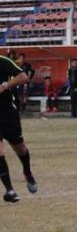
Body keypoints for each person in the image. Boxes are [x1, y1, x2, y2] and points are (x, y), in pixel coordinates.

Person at [0, 54, 38, 203]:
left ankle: (27, 172)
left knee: (20, 148)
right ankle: (10, 190)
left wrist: (5, 85)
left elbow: (23, 77)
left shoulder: (3, 62)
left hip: (8, 113)